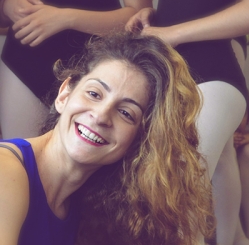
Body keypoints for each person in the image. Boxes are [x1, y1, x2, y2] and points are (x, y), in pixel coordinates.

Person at [0, 32, 214, 245]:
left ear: (141, 142)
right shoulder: (6, 169)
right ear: (64, 95)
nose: (101, 116)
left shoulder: (99, 206)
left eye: (126, 113)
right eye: (94, 94)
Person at [126, 0, 249, 245]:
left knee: (179, 198)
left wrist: (173, 32)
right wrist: (153, 13)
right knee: (220, 167)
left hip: (213, 75)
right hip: (183, 80)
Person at [0, 0, 152, 139]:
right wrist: (7, 4)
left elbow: (141, 19)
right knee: (20, 155)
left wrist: (67, 18)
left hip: (92, 65)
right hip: (23, 62)